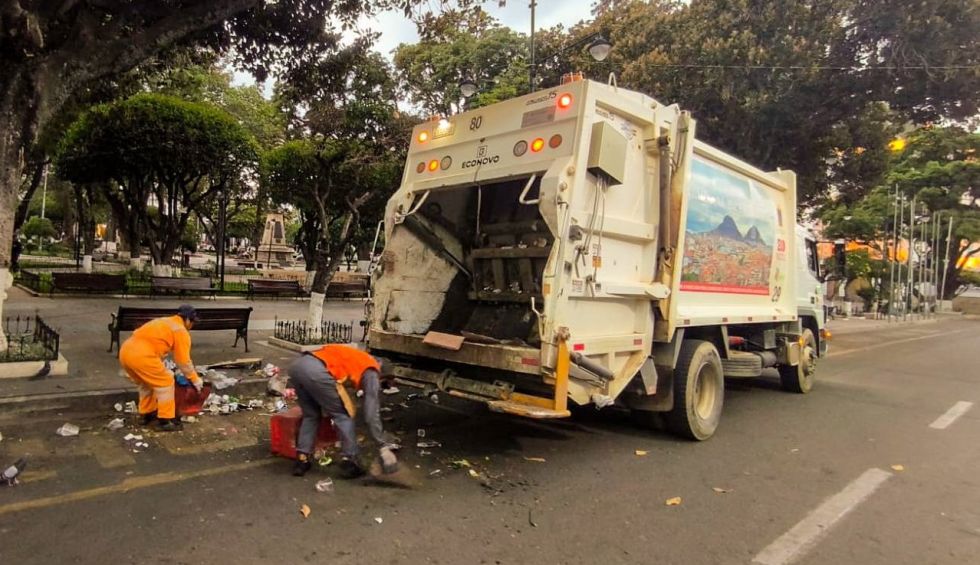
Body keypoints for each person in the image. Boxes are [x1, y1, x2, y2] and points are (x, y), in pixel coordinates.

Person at [287, 344, 395, 478]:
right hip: (317, 371)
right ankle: (350, 461)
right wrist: (382, 444)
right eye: (383, 384)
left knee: (311, 415)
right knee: (343, 415)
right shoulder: (372, 369)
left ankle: (301, 460)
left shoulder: (359, 358)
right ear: (382, 374)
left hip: (298, 366)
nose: (379, 387)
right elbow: (370, 413)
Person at [119, 304, 203, 431]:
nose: (191, 326)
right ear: (186, 319)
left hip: (126, 352)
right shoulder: (180, 331)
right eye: (192, 322)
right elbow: (184, 362)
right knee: (166, 382)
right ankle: (165, 420)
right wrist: (195, 379)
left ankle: (146, 414)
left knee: (145, 384)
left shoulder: (164, 321)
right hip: (143, 356)